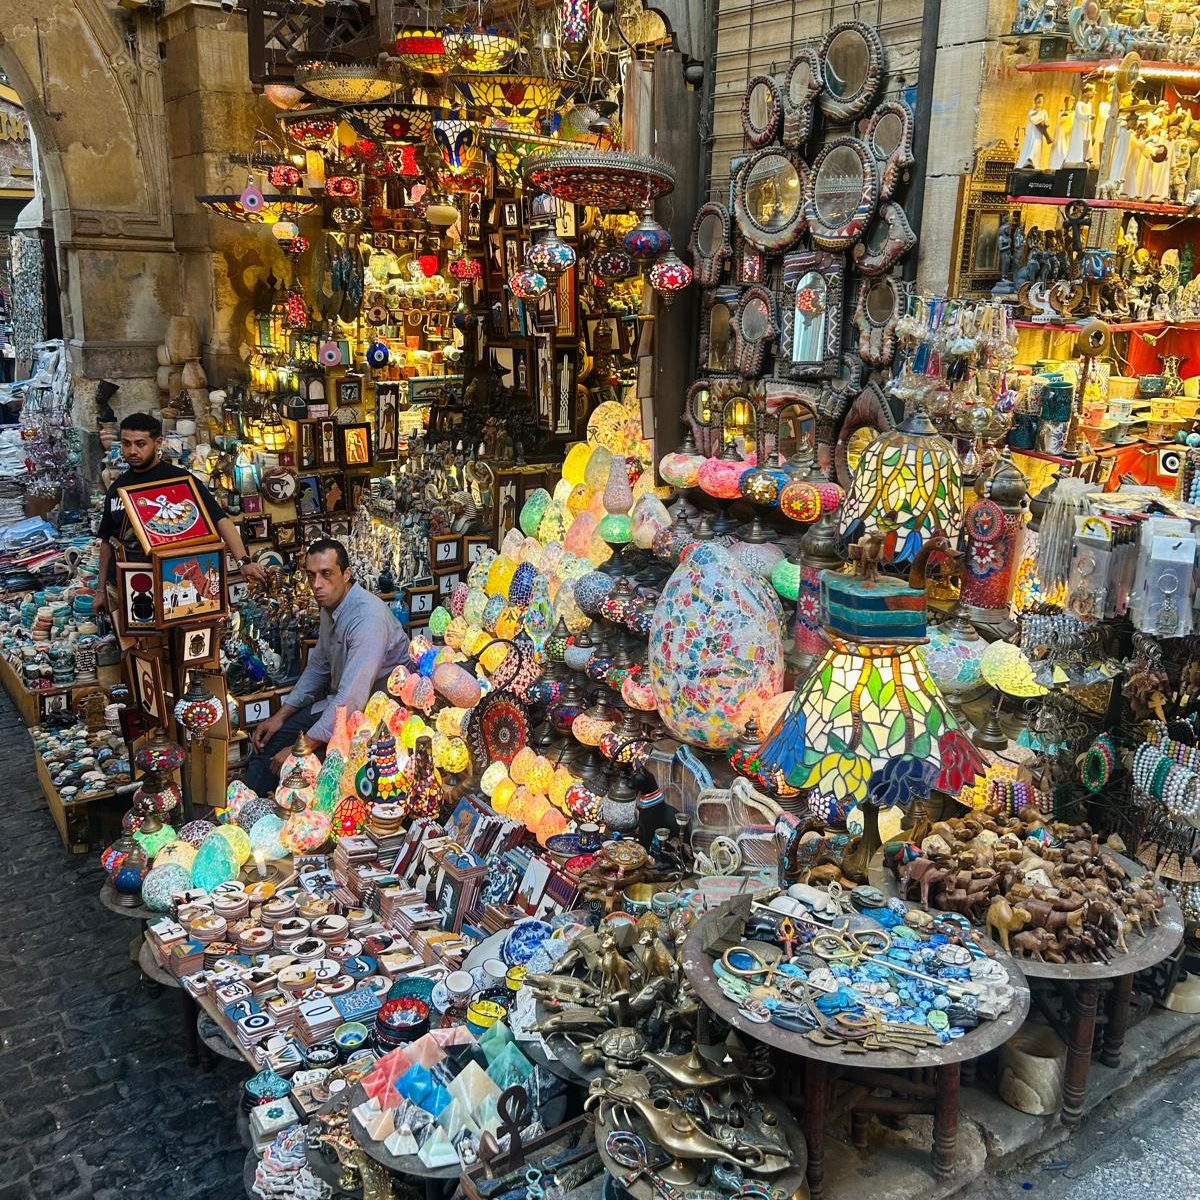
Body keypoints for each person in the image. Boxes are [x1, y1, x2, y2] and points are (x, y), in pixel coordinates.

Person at [244, 539, 411, 795]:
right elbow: (318, 666)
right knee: (271, 743)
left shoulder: (367, 620)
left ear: (346, 574)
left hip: (371, 714)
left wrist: (301, 747)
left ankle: (266, 803)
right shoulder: (331, 606)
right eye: (311, 575)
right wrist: (281, 715)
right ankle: (246, 800)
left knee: (297, 768)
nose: (316, 584)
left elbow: (352, 699)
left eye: (326, 574)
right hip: (339, 704)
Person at [94, 413, 266, 616]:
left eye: (140, 444)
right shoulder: (117, 488)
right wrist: (100, 590)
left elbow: (220, 520)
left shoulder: (181, 481)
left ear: (158, 442)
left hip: (177, 585)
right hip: (133, 588)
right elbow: (107, 540)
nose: (132, 451)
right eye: (126, 444)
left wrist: (244, 561)